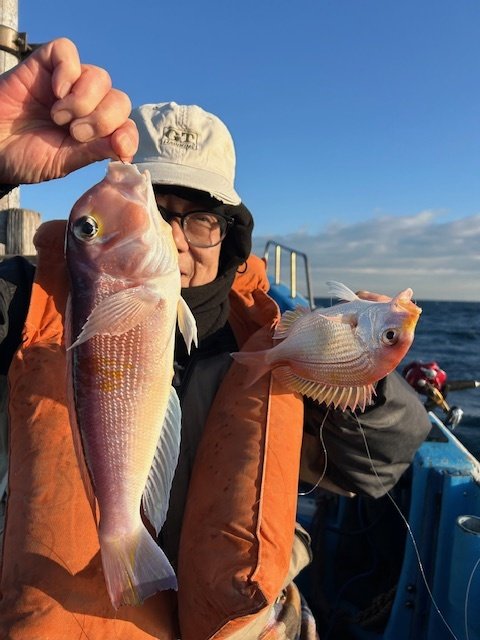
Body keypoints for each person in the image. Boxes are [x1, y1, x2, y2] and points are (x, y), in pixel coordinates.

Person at [0, 38, 432, 640]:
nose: (175, 237)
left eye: (200, 217)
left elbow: (379, 466)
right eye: (154, 207)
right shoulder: (25, 301)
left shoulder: (275, 338)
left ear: (229, 235)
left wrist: (363, 368)